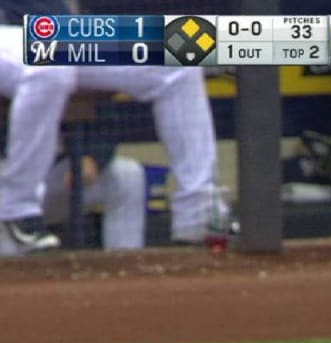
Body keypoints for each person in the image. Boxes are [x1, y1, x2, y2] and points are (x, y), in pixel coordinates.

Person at [0, 3, 232, 256]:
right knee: (47, 64)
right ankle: (16, 212)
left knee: (176, 54)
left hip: (42, 32)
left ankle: (200, 214)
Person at [41, 104, 147, 251]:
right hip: (11, 182)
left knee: (127, 175)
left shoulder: (81, 83)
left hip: (57, 178)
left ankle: (125, 261)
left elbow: (107, 125)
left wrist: (93, 157)